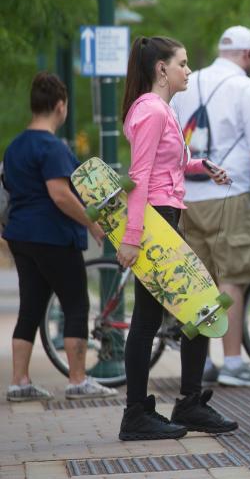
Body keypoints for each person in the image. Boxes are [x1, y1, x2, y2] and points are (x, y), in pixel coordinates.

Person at [117, 36, 237, 440]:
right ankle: (138, 414)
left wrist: (204, 166)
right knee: (180, 312)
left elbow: (176, 162)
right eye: (182, 64)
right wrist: (133, 238)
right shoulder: (151, 111)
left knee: (194, 311)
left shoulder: (162, 109)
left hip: (166, 218)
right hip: (156, 224)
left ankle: (186, 404)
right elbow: (139, 178)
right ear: (161, 69)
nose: (188, 70)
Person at [171, 26, 250, 388]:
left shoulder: (187, 83)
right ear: (248, 55)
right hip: (229, 194)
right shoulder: (248, 89)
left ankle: (199, 364)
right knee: (234, 275)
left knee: (200, 280)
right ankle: (233, 362)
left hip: (188, 195)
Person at [2, 73, 115, 402]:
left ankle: (19, 382)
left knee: (31, 308)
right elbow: (60, 195)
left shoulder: (15, 146)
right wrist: (92, 223)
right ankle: (78, 380)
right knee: (76, 304)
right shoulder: (52, 147)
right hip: (52, 236)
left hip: (21, 236)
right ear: (60, 106)